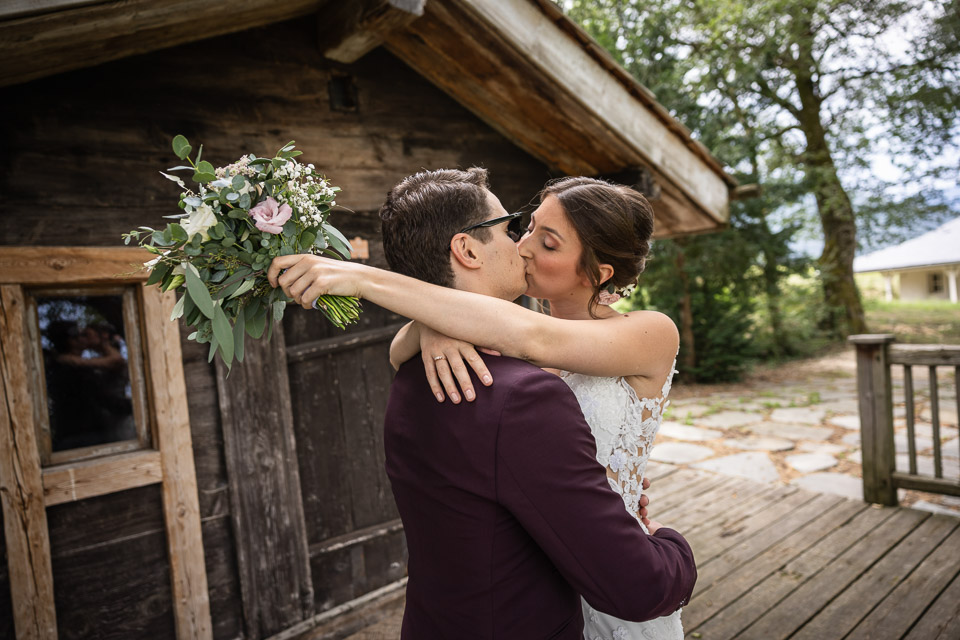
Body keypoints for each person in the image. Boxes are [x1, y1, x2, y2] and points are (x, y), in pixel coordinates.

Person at [270, 168, 693, 638]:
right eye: (525, 227)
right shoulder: (500, 342)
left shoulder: (649, 332)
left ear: (598, 272)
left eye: (548, 243)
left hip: (615, 561)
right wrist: (433, 324)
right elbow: (454, 340)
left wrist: (364, 279)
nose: (525, 246)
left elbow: (531, 337)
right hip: (557, 567)